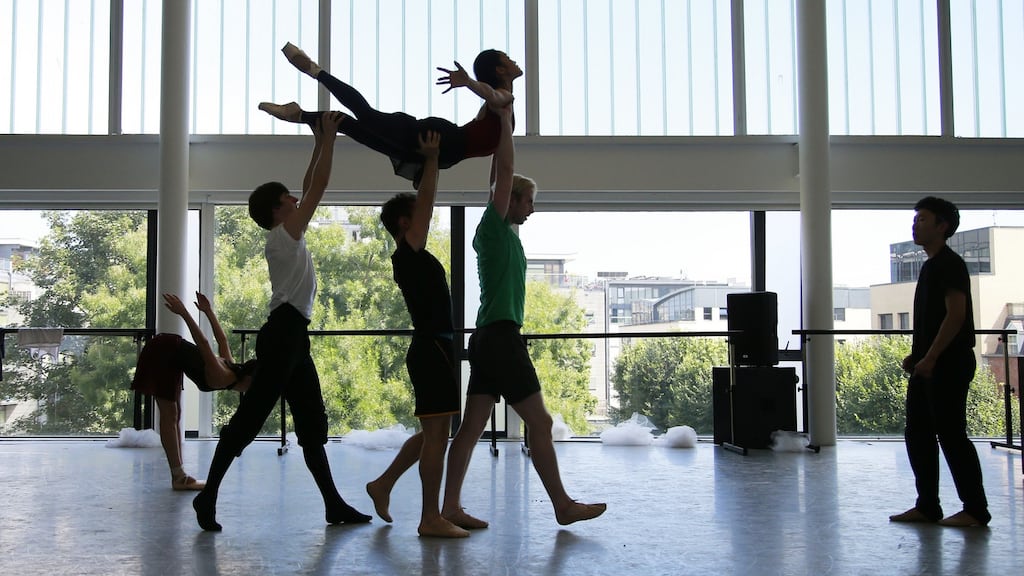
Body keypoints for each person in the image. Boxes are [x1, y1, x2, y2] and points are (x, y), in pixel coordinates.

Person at [192, 111, 372, 531]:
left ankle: (333, 505)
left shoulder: (285, 235)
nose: (297, 199)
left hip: (294, 338)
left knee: (311, 423)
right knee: (251, 418)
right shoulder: (283, 236)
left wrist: (319, 140)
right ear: (279, 210)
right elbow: (319, 187)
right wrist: (329, 140)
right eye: (289, 199)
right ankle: (208, 497)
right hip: (283, 337)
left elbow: (310, 186)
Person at [439, 105, 606, 529]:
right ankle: (563, 506)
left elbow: (499, 169)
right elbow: (504, 170)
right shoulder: (493, 228)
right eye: (528, 200)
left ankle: (450, 508)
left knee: (471, 429)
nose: (532, 208)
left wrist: (500, 123)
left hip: (489, 338)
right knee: (541, 421)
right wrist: (506, 118)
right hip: (499, 338)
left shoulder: (505, 233)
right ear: (510, 198)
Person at [363, 131, 469, 538]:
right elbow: (426, 203)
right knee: (437, 438)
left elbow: (424, 207)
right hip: (431, 351)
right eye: (419, 217)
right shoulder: (407, 252)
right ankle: (430, 518)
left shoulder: (413, 256)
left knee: (431, 434)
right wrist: (431, 160)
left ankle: (382, 484)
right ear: (406, 224)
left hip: (435, 348)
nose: (427, 218)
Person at [258, 43, 521, 186]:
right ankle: (314, 73)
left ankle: (300, 114)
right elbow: (493, 95)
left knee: (350, 124)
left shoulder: (506, 119)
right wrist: (469, 84)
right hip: (442, 139)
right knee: (366, 116)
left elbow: (500, 165)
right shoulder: (503, 101)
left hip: (443, 153)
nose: (514, 61)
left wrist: (494, 201)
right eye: (508, 58)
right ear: (499, 70)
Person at [889, 196, 991, 528]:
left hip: (947, 364)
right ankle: (928, 506)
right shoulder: (932, 265)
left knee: (951, 435)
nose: (915, 224)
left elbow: (956, 315)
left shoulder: (949, 264)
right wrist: (918, 356)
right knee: (917, 433)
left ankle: (975, 509)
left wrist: (931, 357)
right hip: (929, 364)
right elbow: (935, 320)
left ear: (942, 226)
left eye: (922, 219)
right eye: (915, 219)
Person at [131, 292, 256, 491]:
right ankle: (178, 477)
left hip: (172, 356)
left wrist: (208, 311)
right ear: (248, 380)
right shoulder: (223, 377)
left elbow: (222, 340)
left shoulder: (230, 369)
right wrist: (184, 313)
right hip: (163, 350)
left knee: (175, 414)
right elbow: (204, 343)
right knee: (169, 415)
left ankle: (180, 474)